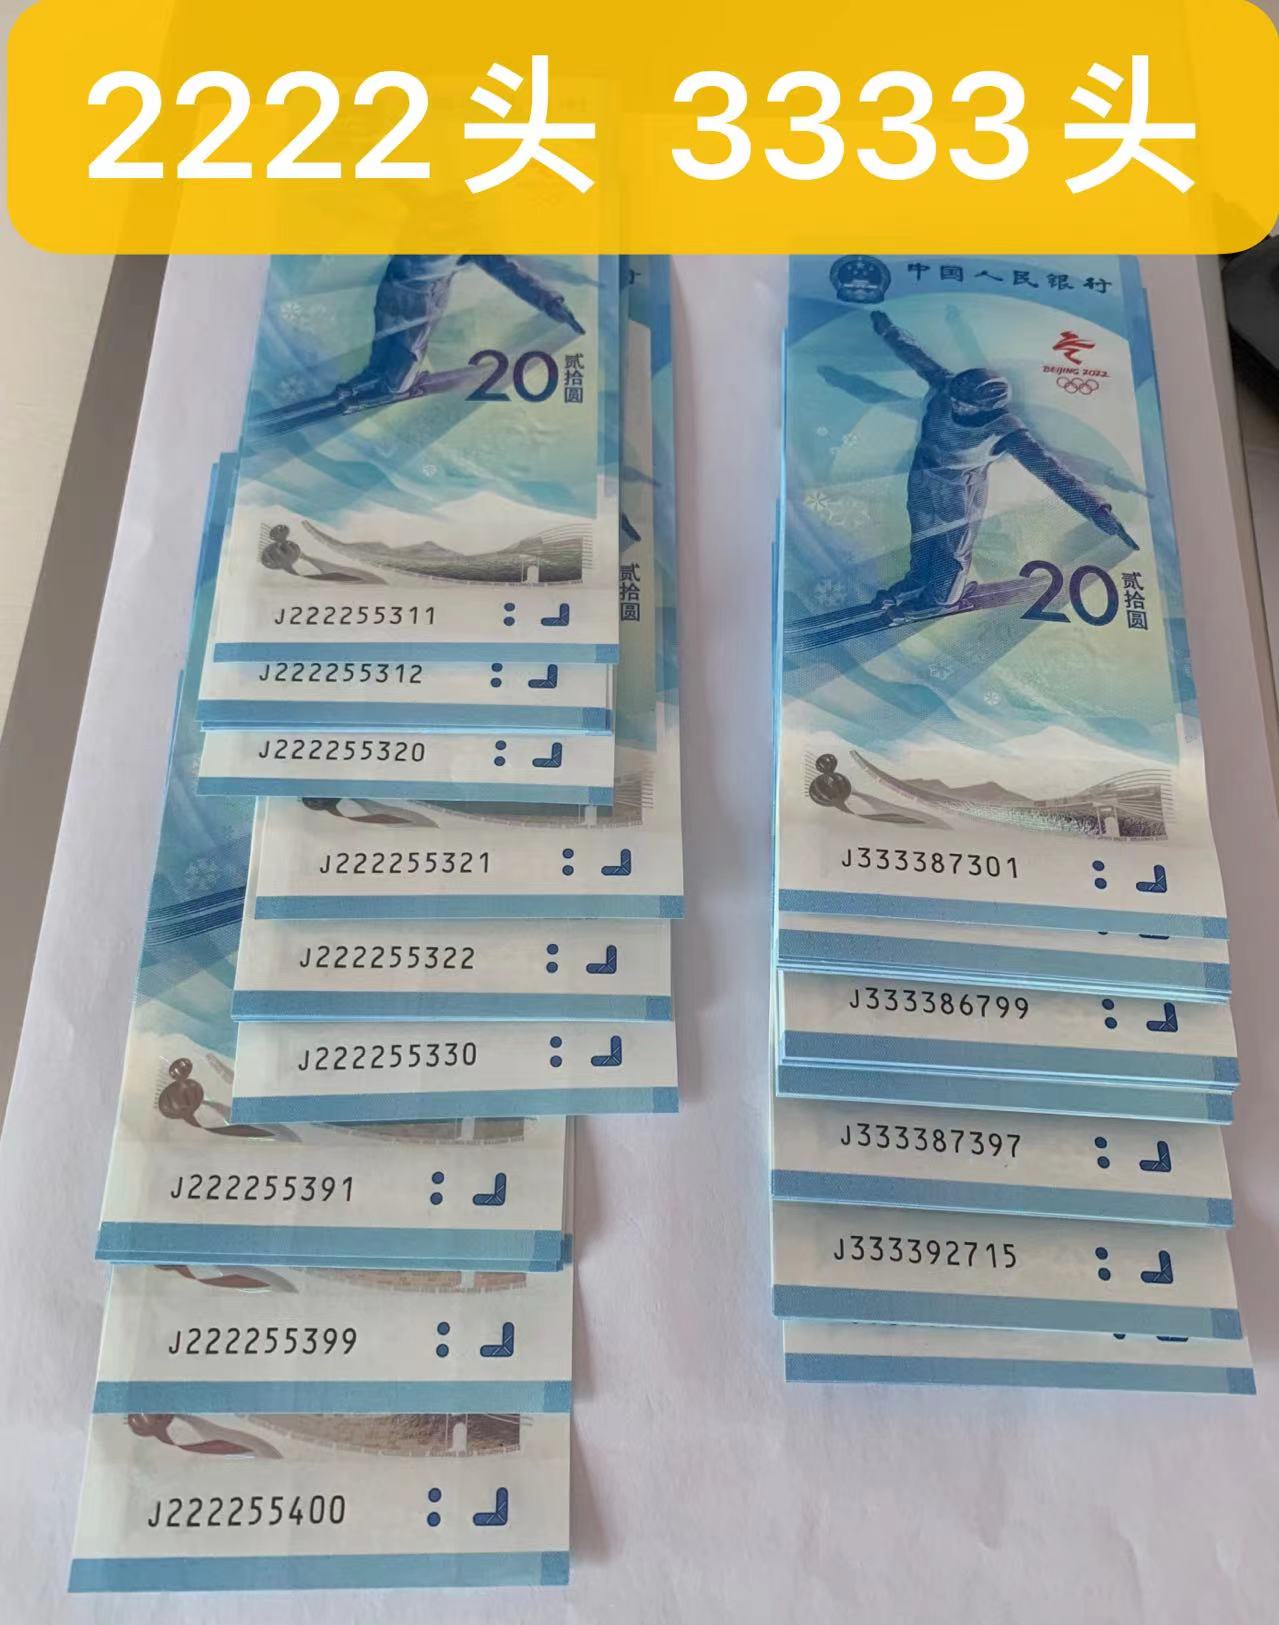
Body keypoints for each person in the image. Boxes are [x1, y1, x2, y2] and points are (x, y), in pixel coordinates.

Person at [865, 308, 1137, 617]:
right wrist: (889, 332)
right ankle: (918, 580)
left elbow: (1052, 472)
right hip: (923, 473)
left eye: (962, 405)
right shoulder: (948, 385)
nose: (953, 405)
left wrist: (1098, 511)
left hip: (960, 487)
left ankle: (942, 598)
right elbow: (915, 355)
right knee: (923, 531)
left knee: (952, 545)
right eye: (953, 399)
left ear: (986, 408)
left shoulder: (1007, 430)